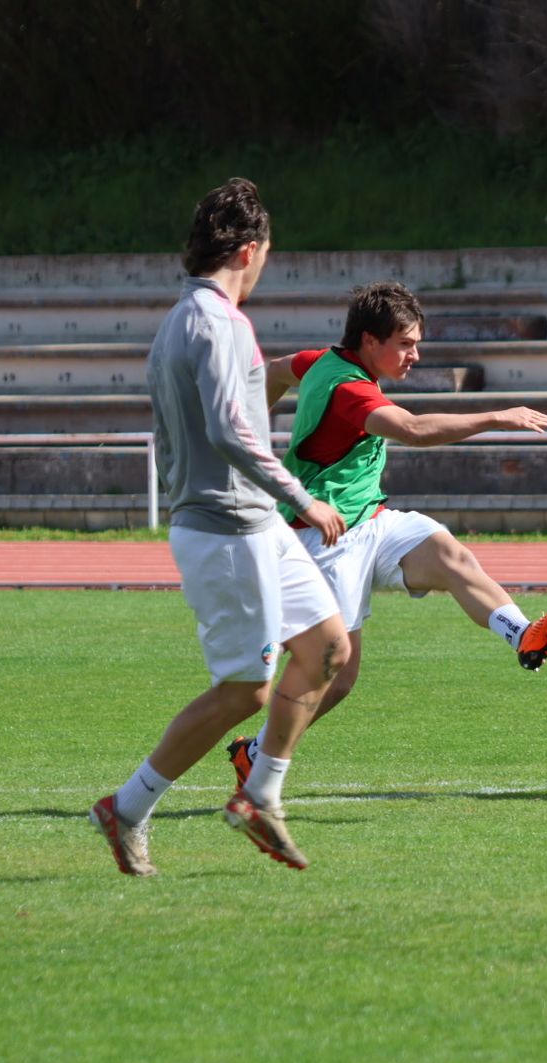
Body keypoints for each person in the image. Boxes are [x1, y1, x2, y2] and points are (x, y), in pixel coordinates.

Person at [90, 177, 351, 876]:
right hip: (226, 528)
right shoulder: (214, 321)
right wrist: (305, 498)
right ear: (248, 249)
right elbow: (230, 428)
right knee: (245, 689)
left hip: (249, 521)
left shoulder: (183, 320)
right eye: (265, 253)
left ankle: (259, 795)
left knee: (328, 648)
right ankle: (129, 805)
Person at [224, 281, 547, 786]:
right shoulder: (348, 389)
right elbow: (412, 430)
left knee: (448, 554)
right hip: (324, 536)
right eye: (406, 343)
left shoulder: (320, 360)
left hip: (372, 520)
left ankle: (524, 637)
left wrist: (252, 423)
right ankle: (256, 755)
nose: (416, 354)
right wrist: (497, 416)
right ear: (371, 340)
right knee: (338, 678)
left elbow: (275, 372)